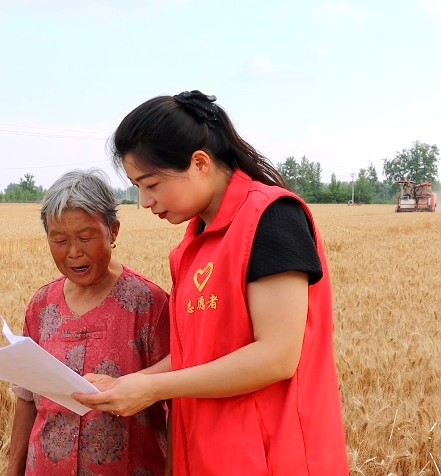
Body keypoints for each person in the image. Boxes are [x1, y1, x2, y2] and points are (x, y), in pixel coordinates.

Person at [73, 91, 349, 475]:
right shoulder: (196, 243)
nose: (145, 201)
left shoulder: (270, 218)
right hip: (209, 456)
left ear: (199, 162)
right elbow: (196, 353)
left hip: (271, 458)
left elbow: (277, 356)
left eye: (151, 184)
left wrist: (152, 390)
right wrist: (128, 383)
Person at [8, 169, 170, 476]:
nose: (74, 252)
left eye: (85, 237)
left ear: (113, 231)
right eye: (59, 240)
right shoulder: (42, 306)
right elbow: (26, 399)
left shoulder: (149, 303)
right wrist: (14, 470)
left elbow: (178, 402)